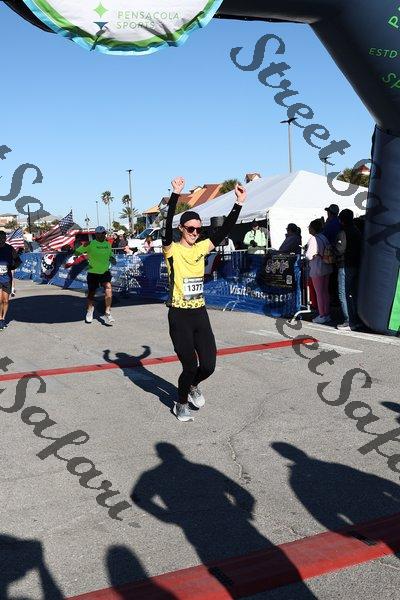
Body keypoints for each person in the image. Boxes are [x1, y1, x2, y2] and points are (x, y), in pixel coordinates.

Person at [163, 176, 247, 422]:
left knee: (208, 366)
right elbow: (166, 225)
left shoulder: (201, 248)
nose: (195, 233)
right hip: (179, 315)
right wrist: (175, 195)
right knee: (189, 366)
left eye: (198, 230)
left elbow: (224, 230)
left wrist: (239, 204)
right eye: (190, 229)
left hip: (200, 313)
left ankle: (192, 385)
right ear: (182, 229)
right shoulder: (172, 249)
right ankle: (180, 404)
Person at [74, 225, 116, 325]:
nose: (101, 235)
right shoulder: (90, 244)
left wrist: (113, 259)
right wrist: (81, 251)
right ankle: (89, 310)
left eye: (103, 233)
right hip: (93, 272)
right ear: (96, 235)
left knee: (108, 287)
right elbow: (77, 252)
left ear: (105, 234)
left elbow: (111, 256)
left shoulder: (107, 244)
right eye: (99, 234)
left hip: (105, 271)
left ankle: (107, 312)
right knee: (91, 293)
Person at [335, 209, 363, 330]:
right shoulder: (357, 231)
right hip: (356, 265)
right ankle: (356, 319)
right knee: (353, 293)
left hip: (345, 266)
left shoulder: (343, 232)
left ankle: (348, 321)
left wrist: (333, 248)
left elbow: (339, 249)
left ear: (341, 220)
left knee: (343, 293)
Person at [305, 219, 333, 324]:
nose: (309, 229)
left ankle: (322, 315)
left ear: (313, 228)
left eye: (309, 227)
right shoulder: (324, 237)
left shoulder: (313, 239)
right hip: (327, 266)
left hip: (317, 268)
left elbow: (308, 255)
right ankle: (327, 314)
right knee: (325, 292)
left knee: (319, 293)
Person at [0, 230, 21, 330]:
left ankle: (3, 318)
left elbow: (18, 261)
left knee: (6, 301)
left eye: (3, 238)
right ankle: (0, 319)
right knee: (0, 300)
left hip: (6, 278)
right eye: (0, 238)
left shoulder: (9, 248)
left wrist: (11, 267)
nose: (1, 240)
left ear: (5, 239)